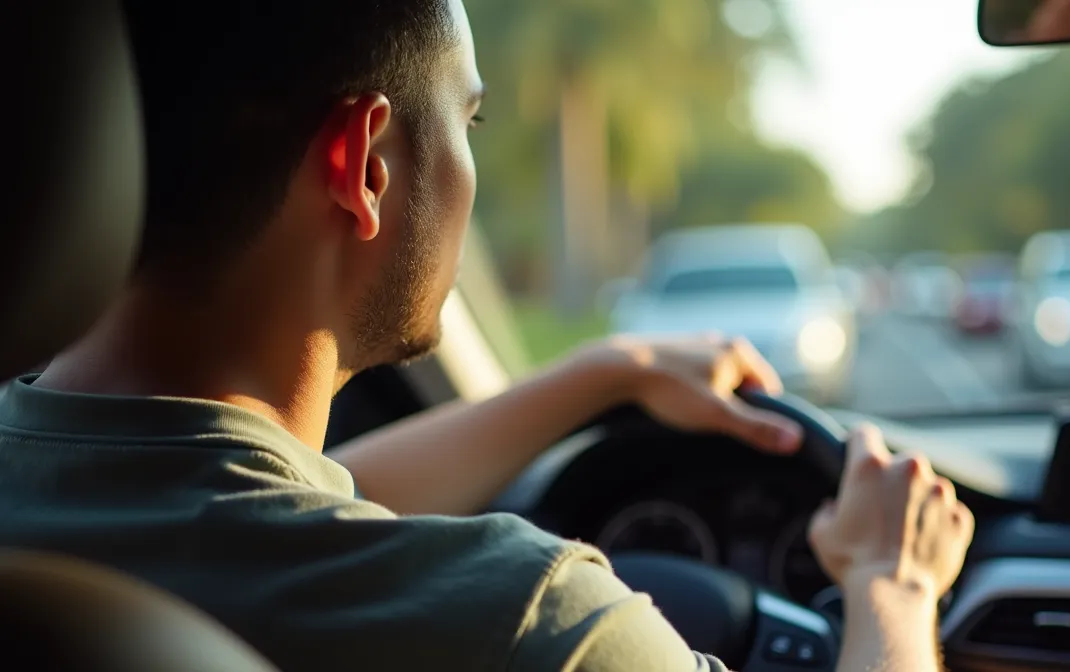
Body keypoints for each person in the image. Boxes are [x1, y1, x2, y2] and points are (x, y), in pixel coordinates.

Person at [0, 1, 973, 671]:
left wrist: (605, 372)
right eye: (468, 114)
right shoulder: (525, 623)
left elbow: (260, 510)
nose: (472, 160)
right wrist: (891, 587)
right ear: (363, 165)